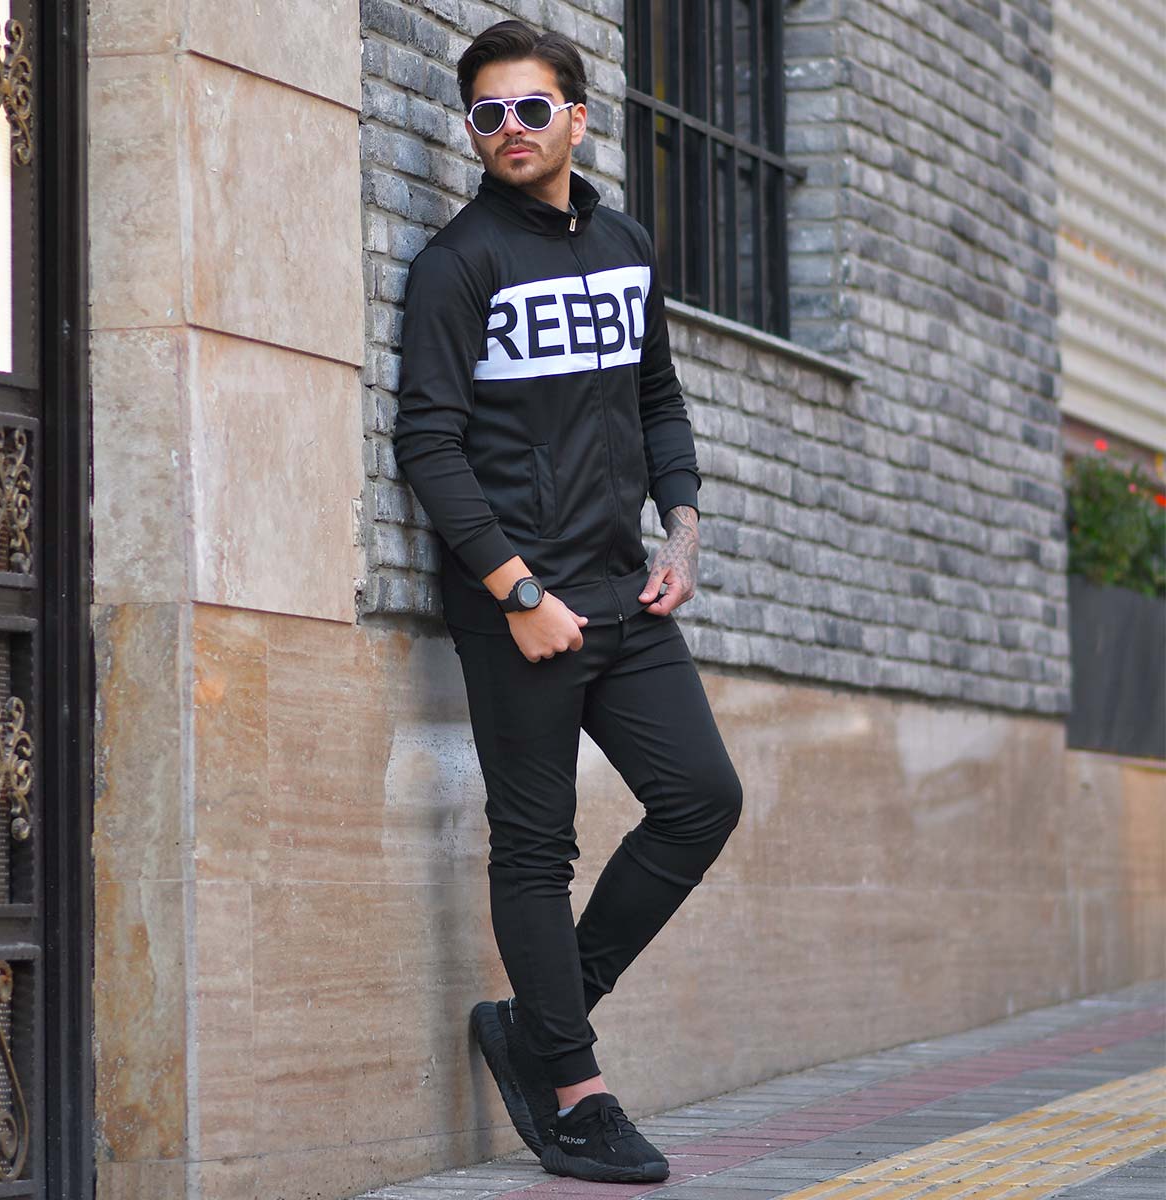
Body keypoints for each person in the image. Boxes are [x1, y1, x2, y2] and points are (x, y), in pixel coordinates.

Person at [392, 18, 743, 1186]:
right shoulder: (459, 264)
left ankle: (539, 1026)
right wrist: (517, 590)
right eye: (486, 114)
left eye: (530, 109)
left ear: (578, 119)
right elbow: (429, 444)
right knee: (536, 847)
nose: (509, 130)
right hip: (520, 605)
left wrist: (681, 533)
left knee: (701, 797)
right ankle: (578, 1099)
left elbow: (659, 400)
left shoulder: (627, 244)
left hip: (625, 590)